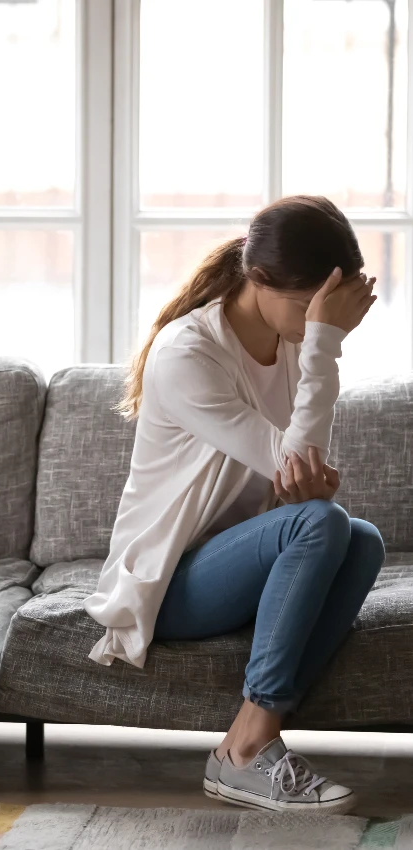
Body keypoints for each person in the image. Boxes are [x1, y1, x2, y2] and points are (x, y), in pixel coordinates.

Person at [84, 195, 384, 814]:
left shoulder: (294, 341)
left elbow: (300, 479)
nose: (314, 322)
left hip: (239, 567)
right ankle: (246, 756)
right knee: (324, 522)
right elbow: (295, 472)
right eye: (306, 307)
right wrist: (325, 340)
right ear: (259, 279)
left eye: (324, 313)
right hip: (166, 582)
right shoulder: (188, 353)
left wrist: (313, 340)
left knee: (361, 540)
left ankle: (250, 733)